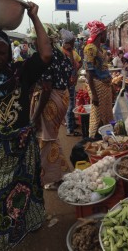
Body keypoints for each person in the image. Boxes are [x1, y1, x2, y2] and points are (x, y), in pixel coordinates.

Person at [0, 2, 52, 250]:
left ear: (9, 54)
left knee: (27, 190)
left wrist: (34, 18)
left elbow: (46, 55)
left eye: (1, 52)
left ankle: (30, 225)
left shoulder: (20, 74)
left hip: (21, 152)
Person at [30, 24, 72, 190]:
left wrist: (35, 116)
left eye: (36, 38)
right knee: (52, 137)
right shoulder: (60, 53)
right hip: (62, 96)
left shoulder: (45, 57)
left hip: (51, 99)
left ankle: (56, 178)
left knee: (48, 139)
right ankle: (60, 175)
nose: (34, 42)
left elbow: (46, 88)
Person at [84, 20, 114, 138]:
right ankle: (92, 140)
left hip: (105, 85)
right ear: (100, 34)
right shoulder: (90, 48)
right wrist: (94, 95)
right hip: (97, 86)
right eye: (105, 33)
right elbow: (89, 73)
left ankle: (105, 138)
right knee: (97, 116)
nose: (106, 36)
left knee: (106, 114)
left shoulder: (99, 48)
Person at [60, 29, 83, 136]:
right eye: (73, 42)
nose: (74, 44)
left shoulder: (70, 52)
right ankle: (70, 129)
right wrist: (72, 76)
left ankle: (72, 124)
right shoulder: (63, 53)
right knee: (70, 104)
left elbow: (79, 63)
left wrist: (76, 70)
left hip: (71, 82)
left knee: (71, 103)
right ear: (67, 43)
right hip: (67, 83)